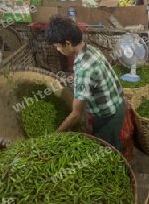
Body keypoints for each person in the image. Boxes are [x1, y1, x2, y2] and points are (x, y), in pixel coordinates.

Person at [45, 15, 126, 153]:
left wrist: (54, 135)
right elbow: (87, 75)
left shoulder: (84, 69)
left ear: (68, 43)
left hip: (109, 115)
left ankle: (120, 162)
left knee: (107, 150)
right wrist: (70, 79)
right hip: (115, 103)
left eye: (58, 46)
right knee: (108, 141)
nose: (57, 50)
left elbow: (76, 114)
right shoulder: (89, 50)